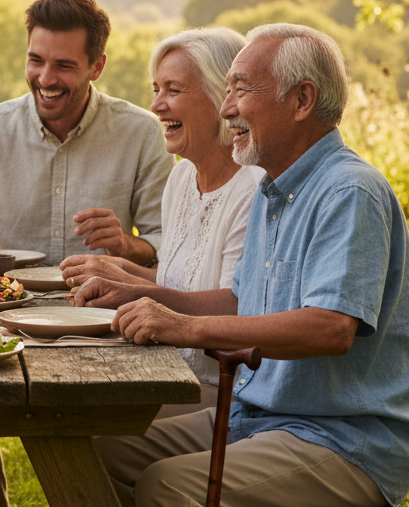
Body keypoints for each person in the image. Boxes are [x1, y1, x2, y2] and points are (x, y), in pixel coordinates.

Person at [96, 23, 409, 507]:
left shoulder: (348, 192)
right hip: (259, 414)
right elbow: (242, 303)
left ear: (302, 100)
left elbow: (330, 328)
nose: (227, 107)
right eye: (226, 89)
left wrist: (184, 326)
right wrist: (140, 294)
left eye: (241, 89)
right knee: (105, 450)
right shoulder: (273, 191)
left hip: (344, 437)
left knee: (167, 487)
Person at [0, 0, 175, 507]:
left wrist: (130, 245)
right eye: (36, 61)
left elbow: (168, 247)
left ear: (97, 66)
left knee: (81, 436)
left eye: (64, 65)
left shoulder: (139, 133)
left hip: (106, 318)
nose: (46, 78)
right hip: (3, 314)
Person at [66, 27, 263, 416]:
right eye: (155, 89)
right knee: (75, 404)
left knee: (84, 420)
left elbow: (237, 304)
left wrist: (137, 292)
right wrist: (123, 270)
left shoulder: (253, 187)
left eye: (173, 90)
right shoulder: (181, 178)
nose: (156, 105)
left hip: (218, 385)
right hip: (165, 367)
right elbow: (182, 280)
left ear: (220, 98)